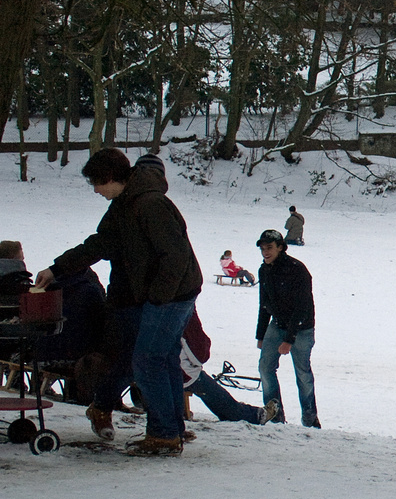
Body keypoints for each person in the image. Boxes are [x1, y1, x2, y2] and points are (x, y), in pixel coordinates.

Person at [39, 150, 204, 456]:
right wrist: (56, 269)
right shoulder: (124, 205)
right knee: (163, 358)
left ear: (112, 178)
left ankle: (164, 435)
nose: (95, 190)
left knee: (147, 360)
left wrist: (157, 298)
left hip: (172, 296)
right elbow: (98, 244)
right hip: (160, 295)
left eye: (97, 183)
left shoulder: (150, 204)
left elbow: (176, 257)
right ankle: (171, 428)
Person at [255, 227, 319, 428]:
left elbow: (302, 307)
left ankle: (310, 419)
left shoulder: (297, 269)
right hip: (277, 324)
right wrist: (261, 334)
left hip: (301, 328)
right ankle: (274, 415)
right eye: (263, 248)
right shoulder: (264, 270)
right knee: (265, 367)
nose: (266, 252)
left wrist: (289, 339)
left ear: (280, 248)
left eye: (270, 248)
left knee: (302, 373)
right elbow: (264, 304)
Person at [182, 312, 278, 426]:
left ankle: (180, 411)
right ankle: (252, 415)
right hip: (180, 372)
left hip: (163, 370)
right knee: (208, 389)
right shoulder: (183, 311)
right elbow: (199, 354)